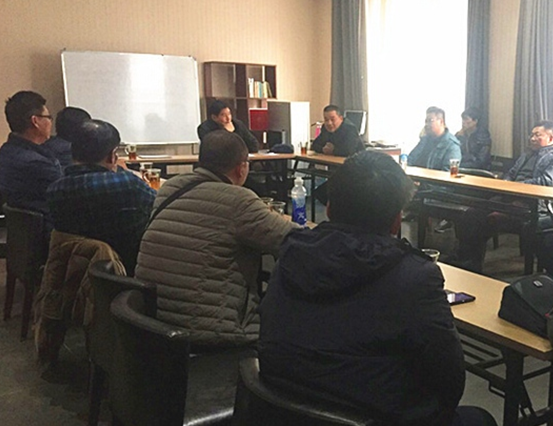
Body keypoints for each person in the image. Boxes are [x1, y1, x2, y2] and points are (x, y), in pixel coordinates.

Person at [259, 151, 496, 426]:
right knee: (480, 419)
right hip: (370, 415)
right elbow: (450, 377)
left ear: (330, 209)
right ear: (397, 221)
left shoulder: (291, 253)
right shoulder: (415, 276)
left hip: (281, 409)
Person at [135, 130, 298, 349]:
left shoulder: (170, 188)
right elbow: (293, 240)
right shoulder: (239, 200)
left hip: (151, 321)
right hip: (209, 330)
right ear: (241, 168)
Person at [47, 119, 156, 274]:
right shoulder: (129, 185)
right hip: (128, 270)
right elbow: (158, 208)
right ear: (112, 156)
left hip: (76, 273)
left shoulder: (55, 191)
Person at [453, 120, 553, 273]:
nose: (532, 138)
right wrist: (505, 183)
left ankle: (471, 262)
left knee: (484, 219)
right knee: (471, 214)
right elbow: (511, 173)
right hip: (510, 196)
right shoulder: (527, 154)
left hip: (533, 203)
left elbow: (546, 181)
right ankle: (467, 260)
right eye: (531, 135)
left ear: (550, 138)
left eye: (537, 135)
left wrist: (516, 186)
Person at [0, 91, 63, 221]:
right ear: (35, 121)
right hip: (49, 228)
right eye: (48, 117)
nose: (50, 122)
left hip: (19, 229)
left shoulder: (5, 152)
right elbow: (66, 195)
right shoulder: (38, 164)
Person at [408, 106, 462, 171]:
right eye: (426, 121)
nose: (426, 124)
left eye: (430, 121)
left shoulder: (452, 146)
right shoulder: (424, 140)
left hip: (435, 177)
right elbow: (410, 160)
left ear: (441, 122)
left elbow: (448, 172)